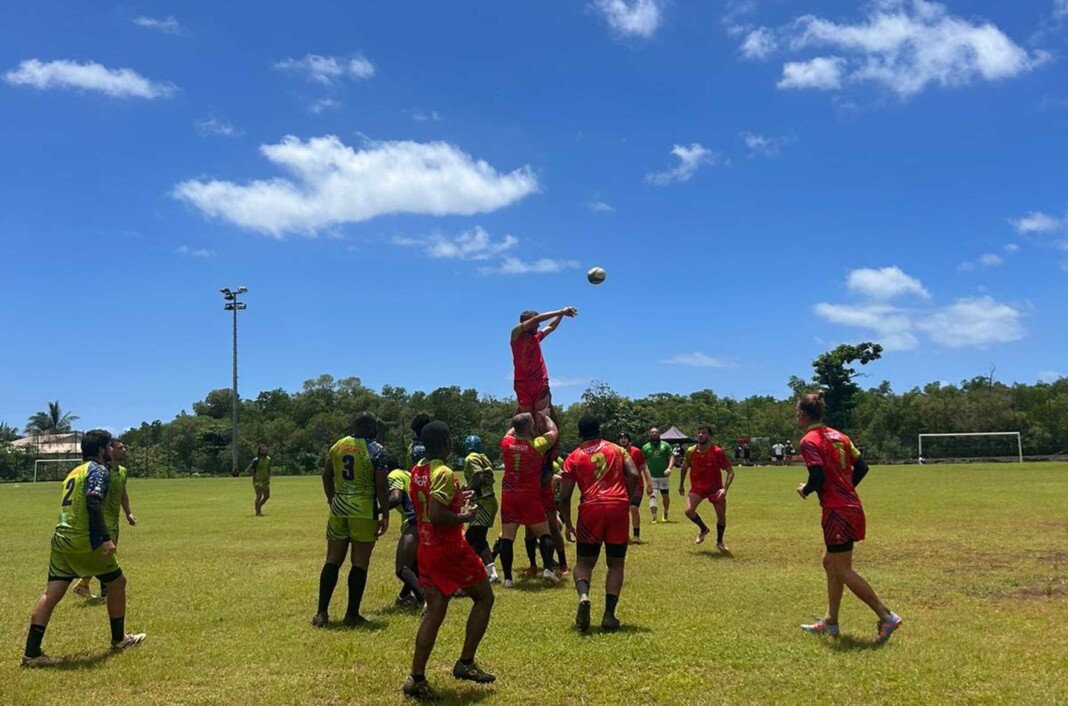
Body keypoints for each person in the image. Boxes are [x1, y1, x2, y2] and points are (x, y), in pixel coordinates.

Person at [22, 429, 146, 667]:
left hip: (61, 538)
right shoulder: (98, 470)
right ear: (101, 450)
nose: (112, 450)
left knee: (51, 594)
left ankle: (31, 654)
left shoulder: (74, 472)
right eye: (110, 446)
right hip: (84, 540)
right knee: (117, 582)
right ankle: (119, 639)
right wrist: (105, 537)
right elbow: (92, 500)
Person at [795, 392, 902, 643]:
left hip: (837, 511)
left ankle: (886, 616)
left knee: (842, 568)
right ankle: (830, 621)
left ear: (802, 415)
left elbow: (818, 477)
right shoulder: (840, 436)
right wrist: (846, 489)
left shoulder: (809, 441)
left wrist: (805, 490)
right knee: (830, 562)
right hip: (851, 506)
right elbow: (862, 467)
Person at [403, 421, 496, 697]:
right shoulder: (443, 472)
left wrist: (458, 498)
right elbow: (437, 513)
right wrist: (465, 516)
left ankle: (416, 678)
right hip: (450, 548)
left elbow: (431, 505)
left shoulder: (418, 469)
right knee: (484, 597)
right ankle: (465, 663)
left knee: (435, 610)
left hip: (427, 549)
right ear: (447, 444)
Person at [559, 416, 640, 632]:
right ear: (599, 430)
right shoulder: (617, 449)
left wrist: (567, 524)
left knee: (584, 563)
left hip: (590, 509)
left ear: (579, 433)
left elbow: (564, 495)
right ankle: (609, 615)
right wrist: (626, 498)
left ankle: (584, 595)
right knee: (615, 563)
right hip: (617, 507)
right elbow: (633, 474)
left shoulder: (573, 457)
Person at [313, 412, 390, 628]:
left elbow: (326, 475)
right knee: (359, 562)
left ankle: (321, 613)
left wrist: (332, 498)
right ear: (371, 428)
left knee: (332, 560)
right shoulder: (377, 451)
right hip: (364, 510)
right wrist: (385, 513)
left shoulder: (338, 446)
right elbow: (382, 486)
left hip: (339, 508)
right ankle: (351, 614)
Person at [498, 412, 561, 587]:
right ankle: (548, 568)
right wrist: (544, 417)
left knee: (508, 537)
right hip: (529, 495)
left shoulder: (506, 443)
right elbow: (554, 433)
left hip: (509, 495)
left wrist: (521, 417)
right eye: (532, 424)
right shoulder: (537, 445)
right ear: (528, 428)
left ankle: (508, 579)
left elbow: (510, 432)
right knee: (544, 532)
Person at [73, 438, 136, 600]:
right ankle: (103, 592)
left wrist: (128, 513)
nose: (124, 450)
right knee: (107, 555)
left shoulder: (122, 471)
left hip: (114, 520)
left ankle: (84, 584)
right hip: (102, 520)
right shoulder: (101, 472)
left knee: (106, 555)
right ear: (110, 450)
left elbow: (123, 495)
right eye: (120, 447)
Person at [677, 425, 734, 550]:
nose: (700, 435)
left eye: (704, 433)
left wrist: (724, 489)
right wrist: (681, 484)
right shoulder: (690, 451)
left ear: (710, 436)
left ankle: (720, 541)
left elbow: (730, 471)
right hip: (697, 488)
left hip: (715, 488)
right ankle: (703, 529)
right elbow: (684, 467)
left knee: (721, 517)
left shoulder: (717, 452)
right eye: (699, 433)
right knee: (688, 511)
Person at [386, 454, 424, 608]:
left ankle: (425, 599)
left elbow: (395, 497)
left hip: (413, 523)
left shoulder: (393, 475)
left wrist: (375, 512)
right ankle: (404, 597)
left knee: (402, 569)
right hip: (423, 521)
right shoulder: (408, 474)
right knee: (415, 566)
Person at [461, 435, 500, 583]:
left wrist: (469, 491)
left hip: (483, 502)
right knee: (478, 538)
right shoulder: (483, 457)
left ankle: (472, 573)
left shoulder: (470, 459)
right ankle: (492, 573)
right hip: (488, 501)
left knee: (472, 539)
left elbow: (479, 476)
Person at [617, 432, 650, 543]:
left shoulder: (636, 451)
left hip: (637, 485)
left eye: (625, 438)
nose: (623, 440)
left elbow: (644, 468)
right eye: (621, 438)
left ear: (629, 440)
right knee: (622, 511)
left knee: (634, 508)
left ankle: (636, 535)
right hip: (622, 486)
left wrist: (649, 484)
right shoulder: (616, 452)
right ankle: (624, 535)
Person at [641, 428, 675, 522]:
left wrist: (669, 468)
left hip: (664, 476)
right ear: (650, 434)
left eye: (656, 432)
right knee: (653, 495)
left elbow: (672, 457)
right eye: (652, 432)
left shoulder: (666, 445)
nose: (654, 433)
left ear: (659, 434)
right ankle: (654, 517)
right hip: (652, 476)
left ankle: (666, 512)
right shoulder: (645, 447)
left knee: (665, 496)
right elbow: (643, 461)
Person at [246, 444, 271, 516]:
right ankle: (258, 512)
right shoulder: (256, 460)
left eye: (265, 450)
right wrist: (255, 476)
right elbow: (248, 469)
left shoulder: (268, 459)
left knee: (267, 496)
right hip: (258, 481)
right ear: (259, 451)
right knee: (259, 496)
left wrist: (269, 475)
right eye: (262, 450)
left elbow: (268, 467)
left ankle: (258, 506)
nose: (264, 451)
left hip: (265, 480)